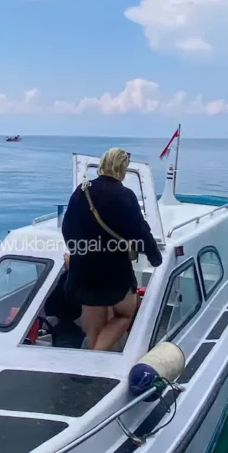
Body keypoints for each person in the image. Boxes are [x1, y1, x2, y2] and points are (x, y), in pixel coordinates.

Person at [63, 147, 162, 350]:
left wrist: (78, 254)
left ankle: (91, 356)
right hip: (114, 272)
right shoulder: (125, 195)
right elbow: (139, 233)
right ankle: (95, 357)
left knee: (94, 323)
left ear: (102, 164)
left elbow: (68, 230)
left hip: (83, 271)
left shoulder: (82, 191)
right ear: (122, 169)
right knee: (125, 314)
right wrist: (155, 258)